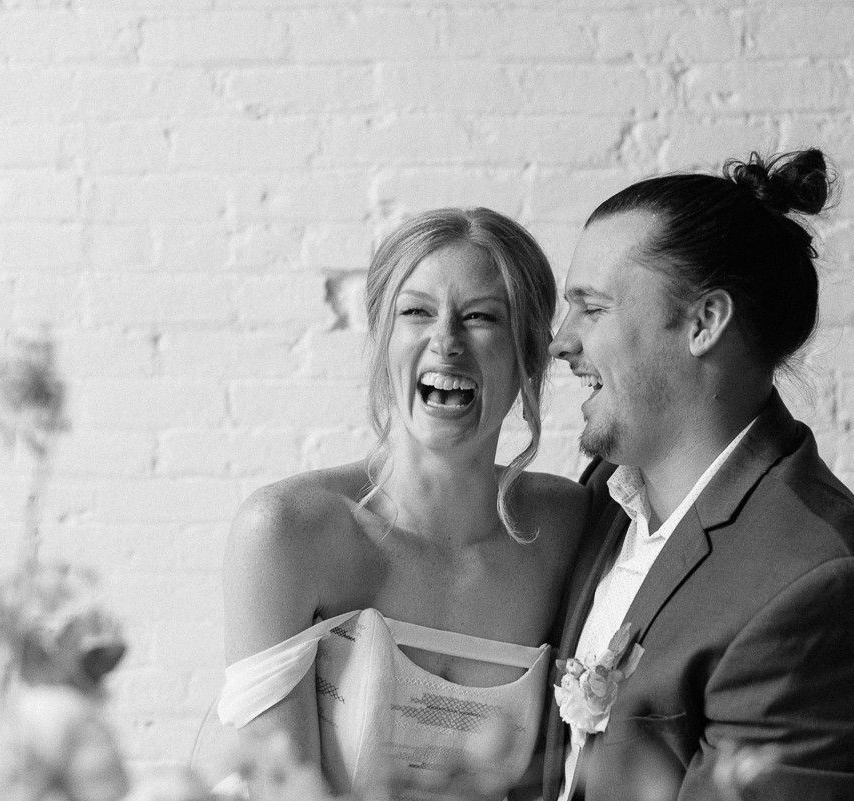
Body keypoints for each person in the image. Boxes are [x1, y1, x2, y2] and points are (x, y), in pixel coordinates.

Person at [542, 149, 854, 801]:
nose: (560, 340)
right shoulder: (604, 495)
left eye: (592, 308)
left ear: (705, 322)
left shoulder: (821, 590)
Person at [218, 207, 587, 801]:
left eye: (482, 317)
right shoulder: (286, 533)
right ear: (382, 339)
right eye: (415, 312)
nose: (446, 341)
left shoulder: (569, 526)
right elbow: (279, 789)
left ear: (531, 357)